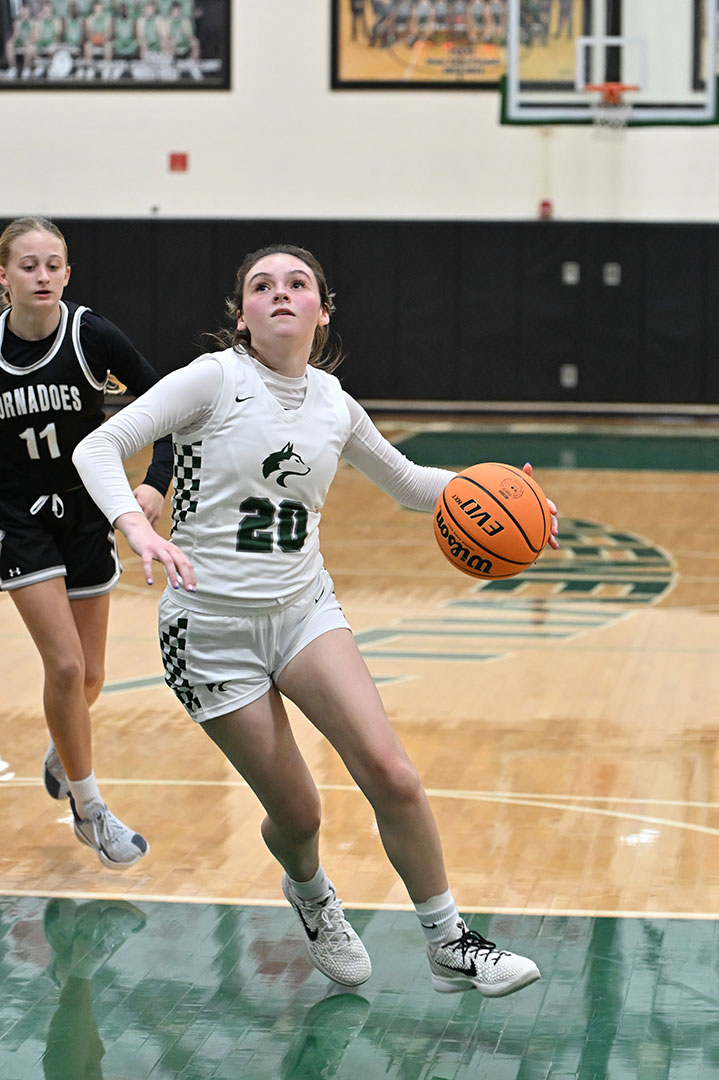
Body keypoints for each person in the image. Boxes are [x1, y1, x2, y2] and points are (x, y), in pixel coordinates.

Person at [73, 244, 559, 994]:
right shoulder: (213, 379)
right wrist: (135, 525)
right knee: (299, 817)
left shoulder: (333, 401)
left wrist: (498, 495)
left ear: (321, 311)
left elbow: (407, 483)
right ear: (242, 315)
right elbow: (99, 445)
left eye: (296, 284)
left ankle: (448, 943)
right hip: (210, 634)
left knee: (393, 774)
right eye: (261, 286)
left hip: (304, 612)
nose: (279, 293)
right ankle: (311, 894)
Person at [0, 216, 172, 870]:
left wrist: (155, 482)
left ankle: (63, 750)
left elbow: (165, 405)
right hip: (16, 517)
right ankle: (89, 807)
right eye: (28, 266)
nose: (42, 276)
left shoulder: (91, 335)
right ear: (4, 276)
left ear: (67, 274)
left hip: (84, 511)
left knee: (90, 676)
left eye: (53, 265)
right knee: (67, 668)